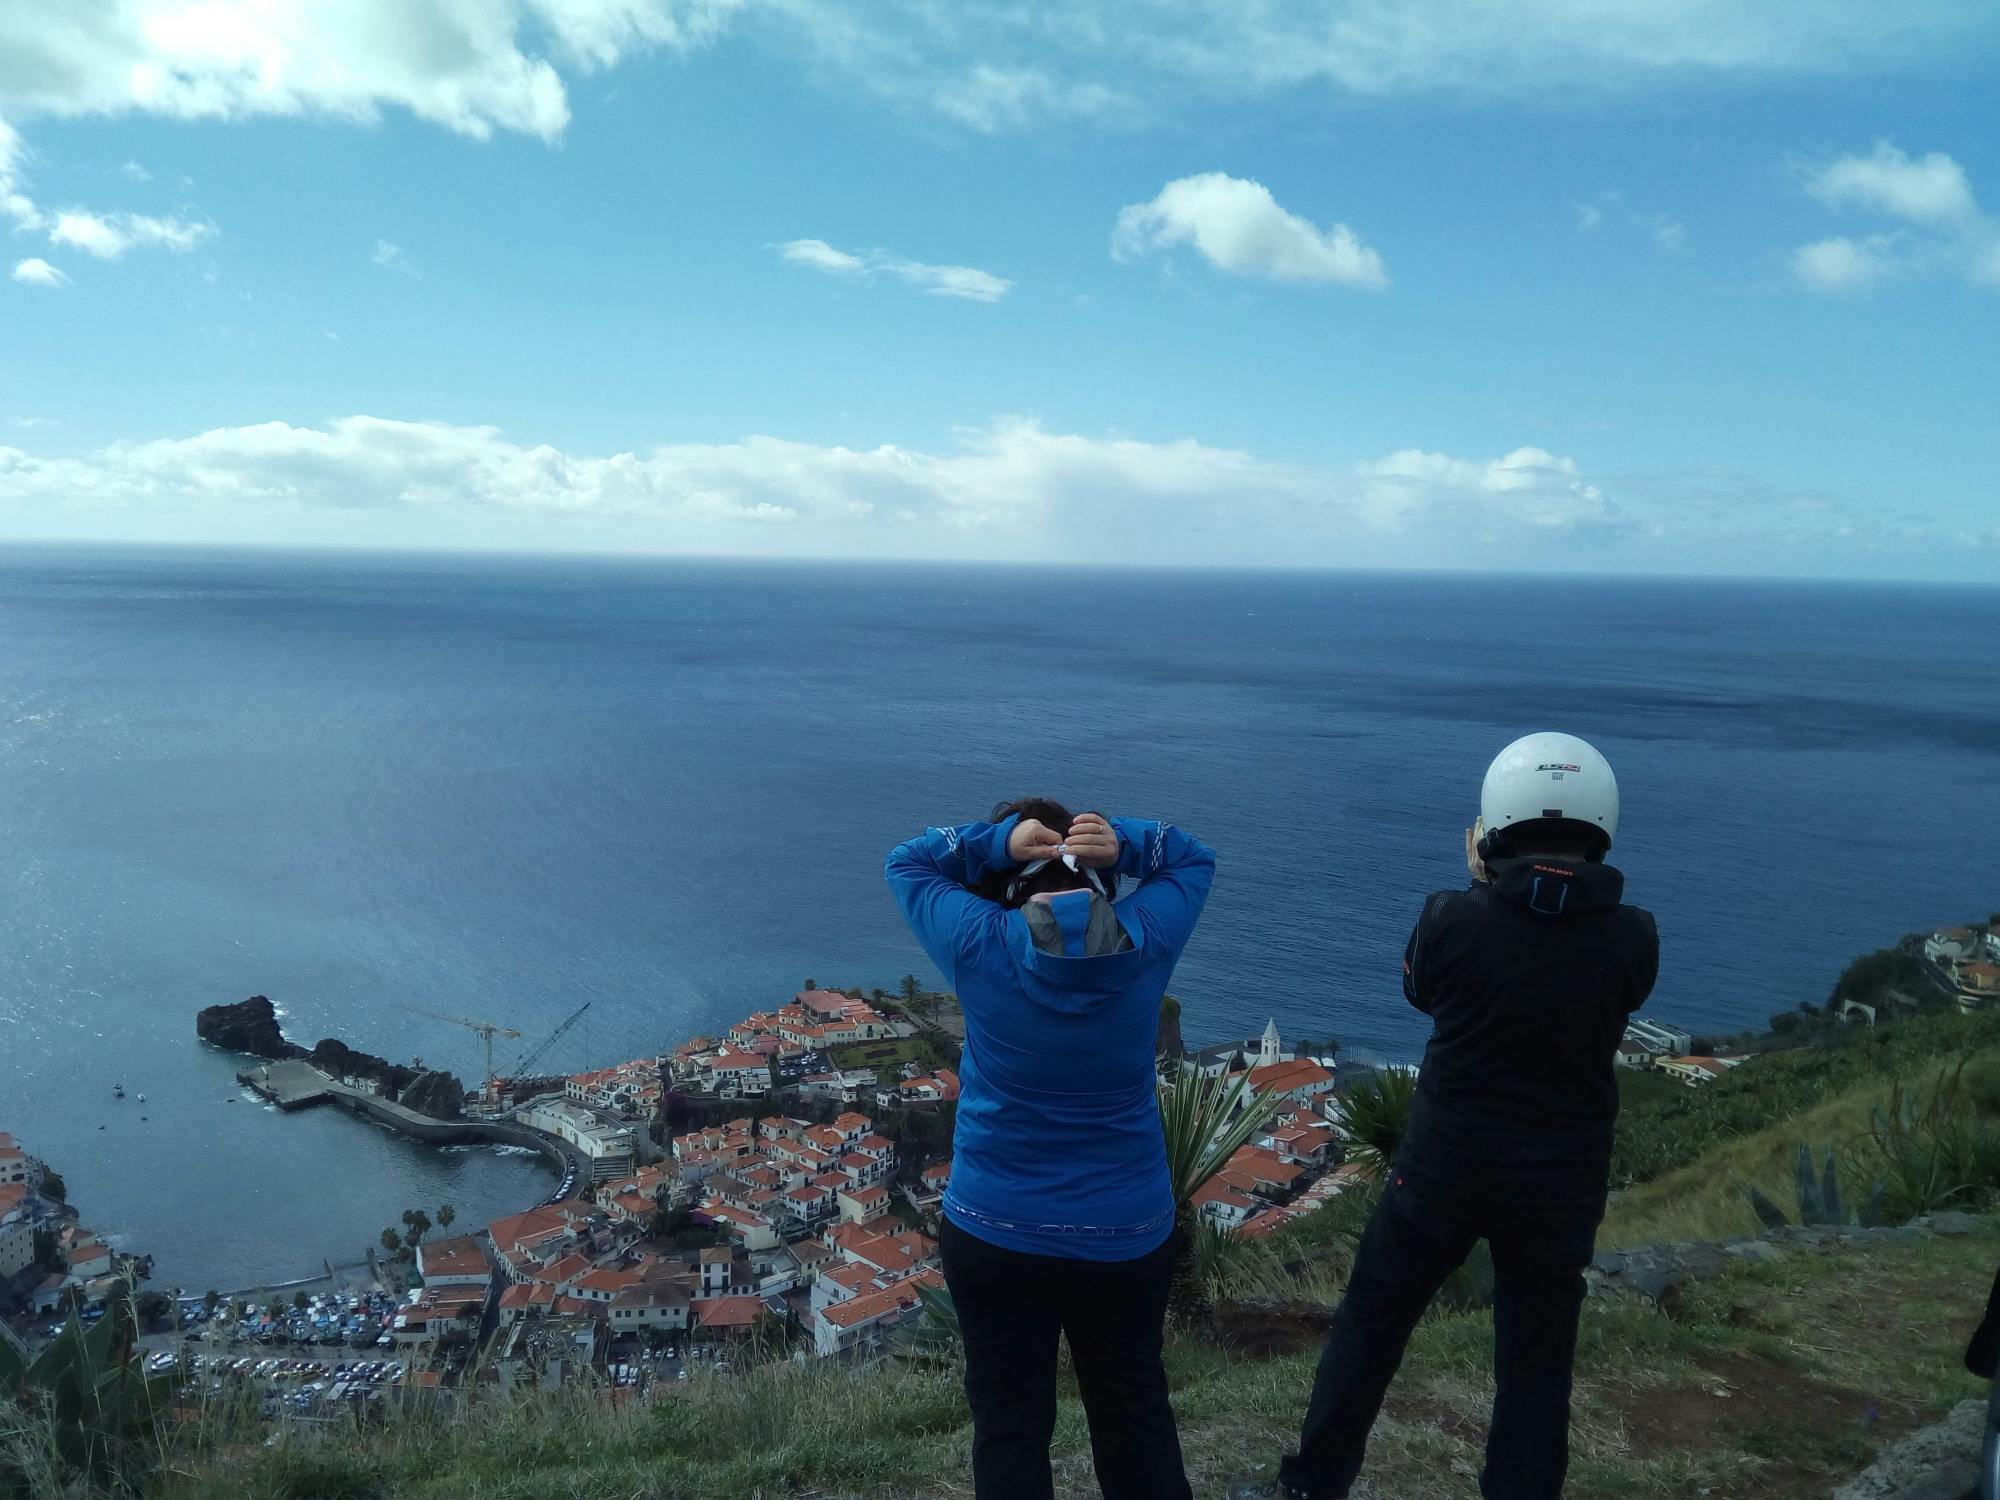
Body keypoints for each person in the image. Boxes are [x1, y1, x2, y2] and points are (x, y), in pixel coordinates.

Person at [1229, 731, 1660, 1500]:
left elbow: (1423, 992)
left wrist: (1478, 880)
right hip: (1561, 1179)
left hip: (1444, 1169)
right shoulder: (1634, 936)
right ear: (1602, 823)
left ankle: (1311, 1487)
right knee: (1536, 1363)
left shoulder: (1452, 917)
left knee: (1370, 1327)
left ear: (1491, 826)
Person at [886, 799, 1216, 1500]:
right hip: (1126, 1230)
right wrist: (1121, 843)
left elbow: (909, 860)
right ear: (1096, 879)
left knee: (1009, 1426)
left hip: (996, 1225)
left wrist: (995, 844)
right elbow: (1192, 856)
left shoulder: (978, 939)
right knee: (1134, 1412)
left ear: (1009, 882)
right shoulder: (1145, 937)